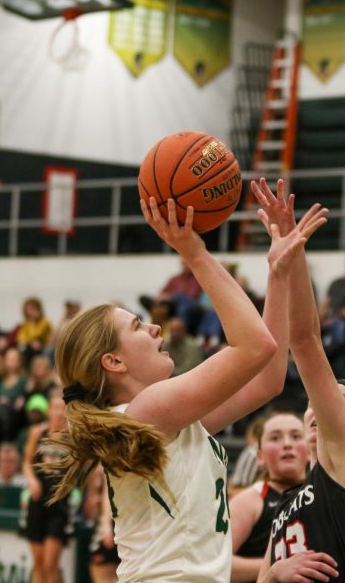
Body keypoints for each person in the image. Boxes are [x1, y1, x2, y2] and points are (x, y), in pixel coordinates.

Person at [41, 192, 325, 581]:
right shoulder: (149, 410)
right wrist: (195, 253)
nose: (155, 327)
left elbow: (267, 379)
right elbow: (255, 347)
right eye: (138, 327)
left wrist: (277, 276)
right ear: (114, 362)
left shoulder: (161, 419)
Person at [253, 180, 345, 583]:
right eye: (315, 400)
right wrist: (277, 573)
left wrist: (292, 252)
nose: (317, 405)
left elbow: (304, 339)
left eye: (334, 397)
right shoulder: (287, 500)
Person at [230, 412, 310, 582]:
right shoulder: (249, 501)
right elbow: (218, 563)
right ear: (260, 457)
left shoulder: (322, 495)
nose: (287, 444)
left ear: (310, 450)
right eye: (275, 438)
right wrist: (277, 567)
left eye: (296, 436)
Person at [23, 390, 72, 583]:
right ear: (49, 410)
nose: (59, 412)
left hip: (59, 501)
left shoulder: (72, 436)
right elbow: (26, 463)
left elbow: (80, 469)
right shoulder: (37, 433)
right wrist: (32, 480)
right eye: (56, 408)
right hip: (37, 498)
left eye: (62, 408)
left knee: (51, 563)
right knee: (38, 562)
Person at [16, 297, 53, 362]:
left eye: (32, 309)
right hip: (30, 347)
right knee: (21, 349)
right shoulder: (26, 323)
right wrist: (31, 342)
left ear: (38, 309)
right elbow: (21, 338)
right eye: (27, 310)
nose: (29, 312)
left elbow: (38, 334)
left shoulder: (45, 321)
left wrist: (32, 322)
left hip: (43, 346)